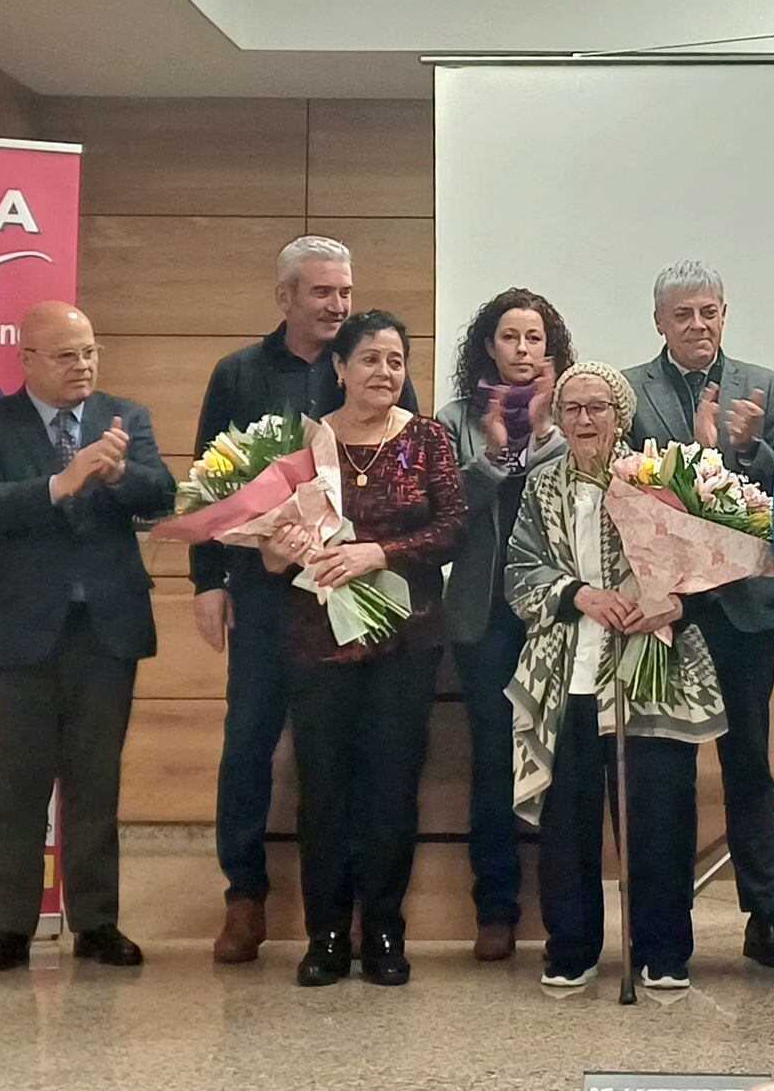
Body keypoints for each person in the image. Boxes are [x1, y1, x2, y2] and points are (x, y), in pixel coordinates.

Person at [192, 236, 423, 965]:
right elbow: (211, 484)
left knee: (350, 761)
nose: (338, 306)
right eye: (323, 293)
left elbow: (411, 474)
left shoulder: (374, 370)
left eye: (345, 292)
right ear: (285, 296)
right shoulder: (238, 374)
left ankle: (357, 914)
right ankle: (245, 898)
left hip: (360, 602)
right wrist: (207, 582)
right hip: (267, 599)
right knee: (250, 742)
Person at [0, 302, 176, 973]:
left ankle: (97, 922)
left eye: (89, 352)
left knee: (95, 782)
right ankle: (11, 928)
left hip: (104, 629)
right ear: (27, 359)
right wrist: (61, 481)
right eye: (65, 355)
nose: (82, 365)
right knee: (18, 786)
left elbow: (161, 494)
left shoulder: (123, 416)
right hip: (20, 632)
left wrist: (115, 474)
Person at [257, 310, 465, 988]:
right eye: (370, 359)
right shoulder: (300, 446)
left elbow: (452, 530)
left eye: (396, 361)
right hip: (318, 643)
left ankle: (383, 931)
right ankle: (324, 936)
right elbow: (269, 545)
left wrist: (381, 551)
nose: (385, 373)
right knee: (323, 792)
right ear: (340, 368)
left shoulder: (428, 439)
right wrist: (276, 550)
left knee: (390, 789)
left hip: (405, 643)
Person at [504, 362, 727, 989]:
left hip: (648, 670)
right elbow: (519, 570)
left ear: (620, 416)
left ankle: (663, 953)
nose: (583, 420)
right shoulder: (541, 485)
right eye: (572, 409)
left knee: (659, 816)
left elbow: (704, 565)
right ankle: (571, 949)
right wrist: (578, 594)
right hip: (564, 676)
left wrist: (672, 600)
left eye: (597, 408)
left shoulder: (657, 477)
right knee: (568, 824)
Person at [625, 260, 774, 969]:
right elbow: (628, 488)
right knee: (663, 769)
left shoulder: (764, 385)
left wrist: (747, 448)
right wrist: (692, 456)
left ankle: (764, 915)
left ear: (725, 314)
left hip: (743, 611)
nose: (698, 326)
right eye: (683, 315)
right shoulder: (631, 391)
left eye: (709, 313)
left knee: (748, 763)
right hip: (667, 610)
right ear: (660, 322)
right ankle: (667, 924)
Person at [436, 288, 573, 962]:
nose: (523, 350)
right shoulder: (455, 418)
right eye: (510, 337)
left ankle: (562, 913)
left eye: (535, 339)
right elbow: (446, 516)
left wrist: (546, 434)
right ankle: (495, 908)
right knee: (494, 763)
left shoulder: (575, 415)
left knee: (561, 764)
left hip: (558, 617)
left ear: (552, 350)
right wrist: (492, 455)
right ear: (488, 346)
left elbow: (588, 492)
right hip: (484, 615)